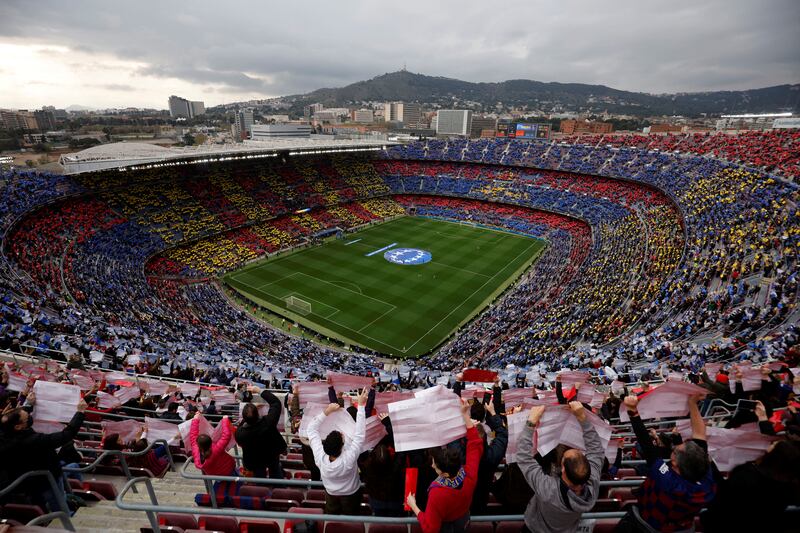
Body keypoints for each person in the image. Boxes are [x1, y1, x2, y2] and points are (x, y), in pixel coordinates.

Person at [616, 394, 716, 532]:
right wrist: (692, 404)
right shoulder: (706, 481)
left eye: (675, 450)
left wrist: (633, 412)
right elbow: (700, 435)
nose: (674, 448)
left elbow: (647, 446)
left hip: (645, 527)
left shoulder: (667, 481)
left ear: (674, 463)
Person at [516, 402, 604, 533]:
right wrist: (581, 417)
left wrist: (531, 422)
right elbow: (596, 450)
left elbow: (524, 458)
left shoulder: (547, 489)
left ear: (562, 469)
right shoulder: (593, 483)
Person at [405, 400, 483, 533]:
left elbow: (431, 529)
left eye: (435, 465)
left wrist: (414, 507)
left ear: (444, 474)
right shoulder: (469, 474)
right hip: (463, 518)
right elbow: (475, 444)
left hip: (446, 526)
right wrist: (465, 416)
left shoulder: (437, 495)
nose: (432, 464)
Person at [0, 398, 88, 513]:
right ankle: (66, 521)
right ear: (18, 427)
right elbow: (67, 434)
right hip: (45, 478)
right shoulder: (33, 441)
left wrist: (29, 404)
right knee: (58, 504)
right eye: (27, 419)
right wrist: (80, 412)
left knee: (42, 501)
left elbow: (9, 419)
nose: (30, 418)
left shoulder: (4, 434)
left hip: (25, 479)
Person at [307, 388, 368, 514]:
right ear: (342, 446)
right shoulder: (349, 458)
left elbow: (311, 430)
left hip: (331, 493)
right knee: (351, 517)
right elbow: (359, 436)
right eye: (342, 436)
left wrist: (327, 412)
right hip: (351, 493)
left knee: (332, 517)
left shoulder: (320, 456)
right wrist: (361, 406)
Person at [235, 387, 287, 479]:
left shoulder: (240, 434)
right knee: (275, 472)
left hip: (254, 461)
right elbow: (276, 403)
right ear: (258, 414)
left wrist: (247, 417)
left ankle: (262, 491)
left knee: (260, 478)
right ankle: (278, 489)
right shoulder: (268, 422)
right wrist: (259, 390)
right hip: (272, 455)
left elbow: (241, 426)